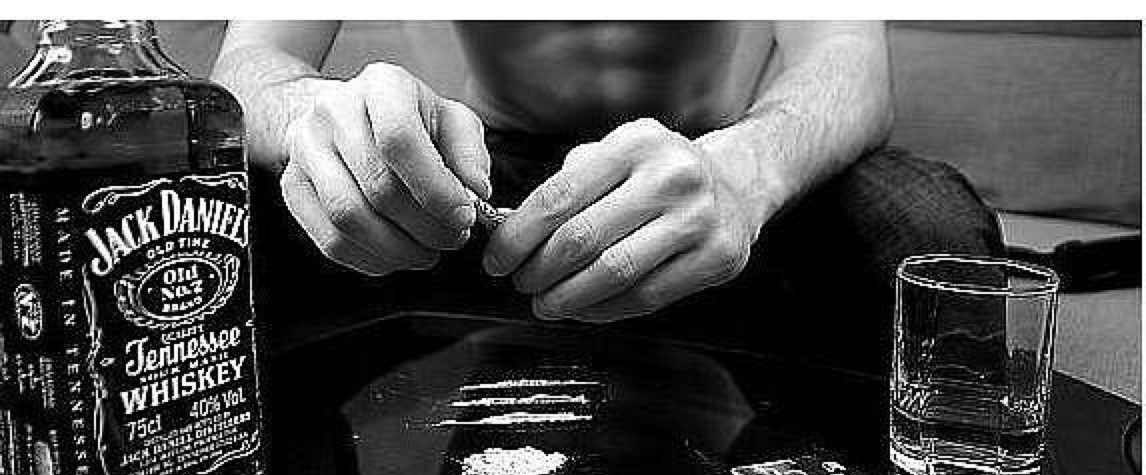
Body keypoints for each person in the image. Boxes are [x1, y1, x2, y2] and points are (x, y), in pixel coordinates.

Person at [213, 21, 1003, 370]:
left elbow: (850, 61)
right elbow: (250, 68)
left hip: (713, 182)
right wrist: (326, 123)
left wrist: (743, 173)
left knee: (924, 225)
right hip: (489, 206)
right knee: (225, 213)